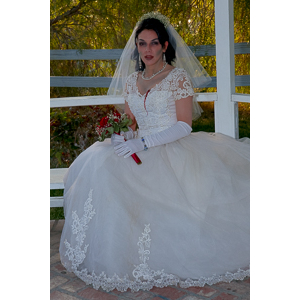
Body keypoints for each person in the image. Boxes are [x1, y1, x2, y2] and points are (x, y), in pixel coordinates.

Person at [59, 12, 250, 293]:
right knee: (99, 164)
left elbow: (184, 125)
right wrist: (122, 134)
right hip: (140, 146)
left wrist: (144, 144)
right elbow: (131, 122)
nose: (147, 50)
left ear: (165, 46)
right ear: (136, 47)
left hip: (172, 148)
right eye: (142, 43)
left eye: (153, 43)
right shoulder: (131, 81)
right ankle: (118, 252)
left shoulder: (177, 77)